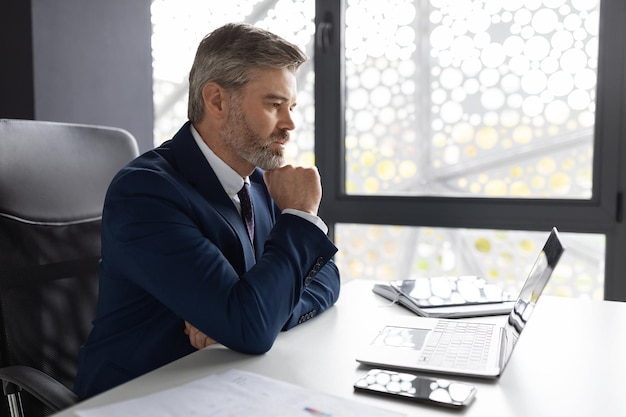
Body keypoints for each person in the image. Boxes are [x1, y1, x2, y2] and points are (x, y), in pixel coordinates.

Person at [73, 22, 341, 399]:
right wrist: (299, 217)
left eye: (292, 107)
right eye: (274, 105)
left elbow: (328, 279)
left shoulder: (262, 184)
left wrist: (262, 314)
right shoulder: (146, 192)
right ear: (216, 101)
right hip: (140, 395)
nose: (290, 124)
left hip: (224, 384)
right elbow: (251, 327)